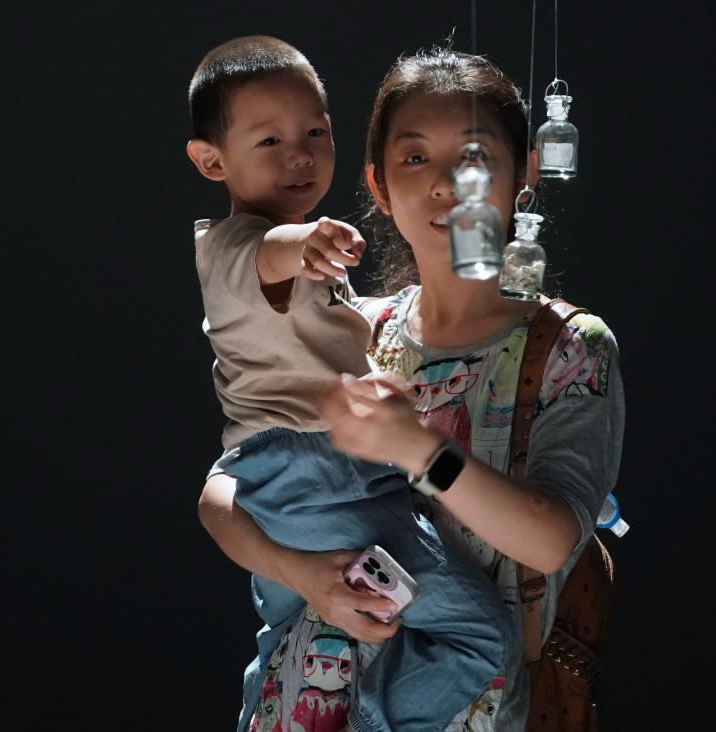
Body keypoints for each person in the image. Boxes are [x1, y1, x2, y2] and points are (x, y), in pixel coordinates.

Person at [198, 47, 626, 731]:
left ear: (525, 173)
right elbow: (221, 496)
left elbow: (551, 541)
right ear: (379, 183)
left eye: (476, 156)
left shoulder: (568, 349)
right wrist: (302, 575)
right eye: (415, 157)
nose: (446, 183)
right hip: (305, 699)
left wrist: (420, 449)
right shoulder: (355, 328)